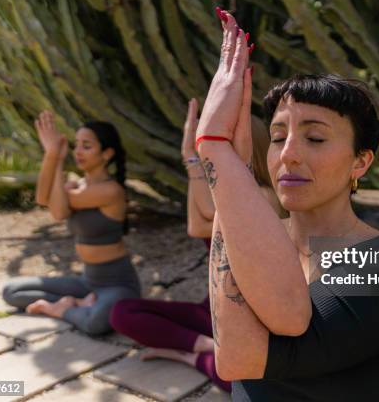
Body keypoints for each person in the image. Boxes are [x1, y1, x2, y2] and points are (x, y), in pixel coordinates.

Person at [193, 8, 379, 401]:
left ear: (360, 162)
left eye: (316, 139)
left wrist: (216, 152)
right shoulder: (258, 234)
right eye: (276, 137)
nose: (288, 154)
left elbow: (241, 357)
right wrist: (232, 171)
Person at [109, 94, 286, 393]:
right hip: (214, 314)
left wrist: (196, 157)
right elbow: (197, 226)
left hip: (247, 322)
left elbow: (206, 217)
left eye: (218, 146)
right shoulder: (221, 193)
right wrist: (192, 159)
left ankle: (193, 357)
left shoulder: (266, 195)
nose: (211, 156)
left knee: (246, 385)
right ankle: (208, 348)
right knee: (122, 313)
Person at [2, 111, 140, 336]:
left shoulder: (110, 191)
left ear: (106, 154)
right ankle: (79, 301)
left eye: (87, 146)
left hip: (117, 285)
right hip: (88, 280)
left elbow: (56, 210)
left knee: (97, 323)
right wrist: (52, 155)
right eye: (76, 145)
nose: (78, 152)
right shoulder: (76, 186)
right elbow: (44, 199)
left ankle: (61, 309)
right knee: (12, 291)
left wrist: (57, 159)